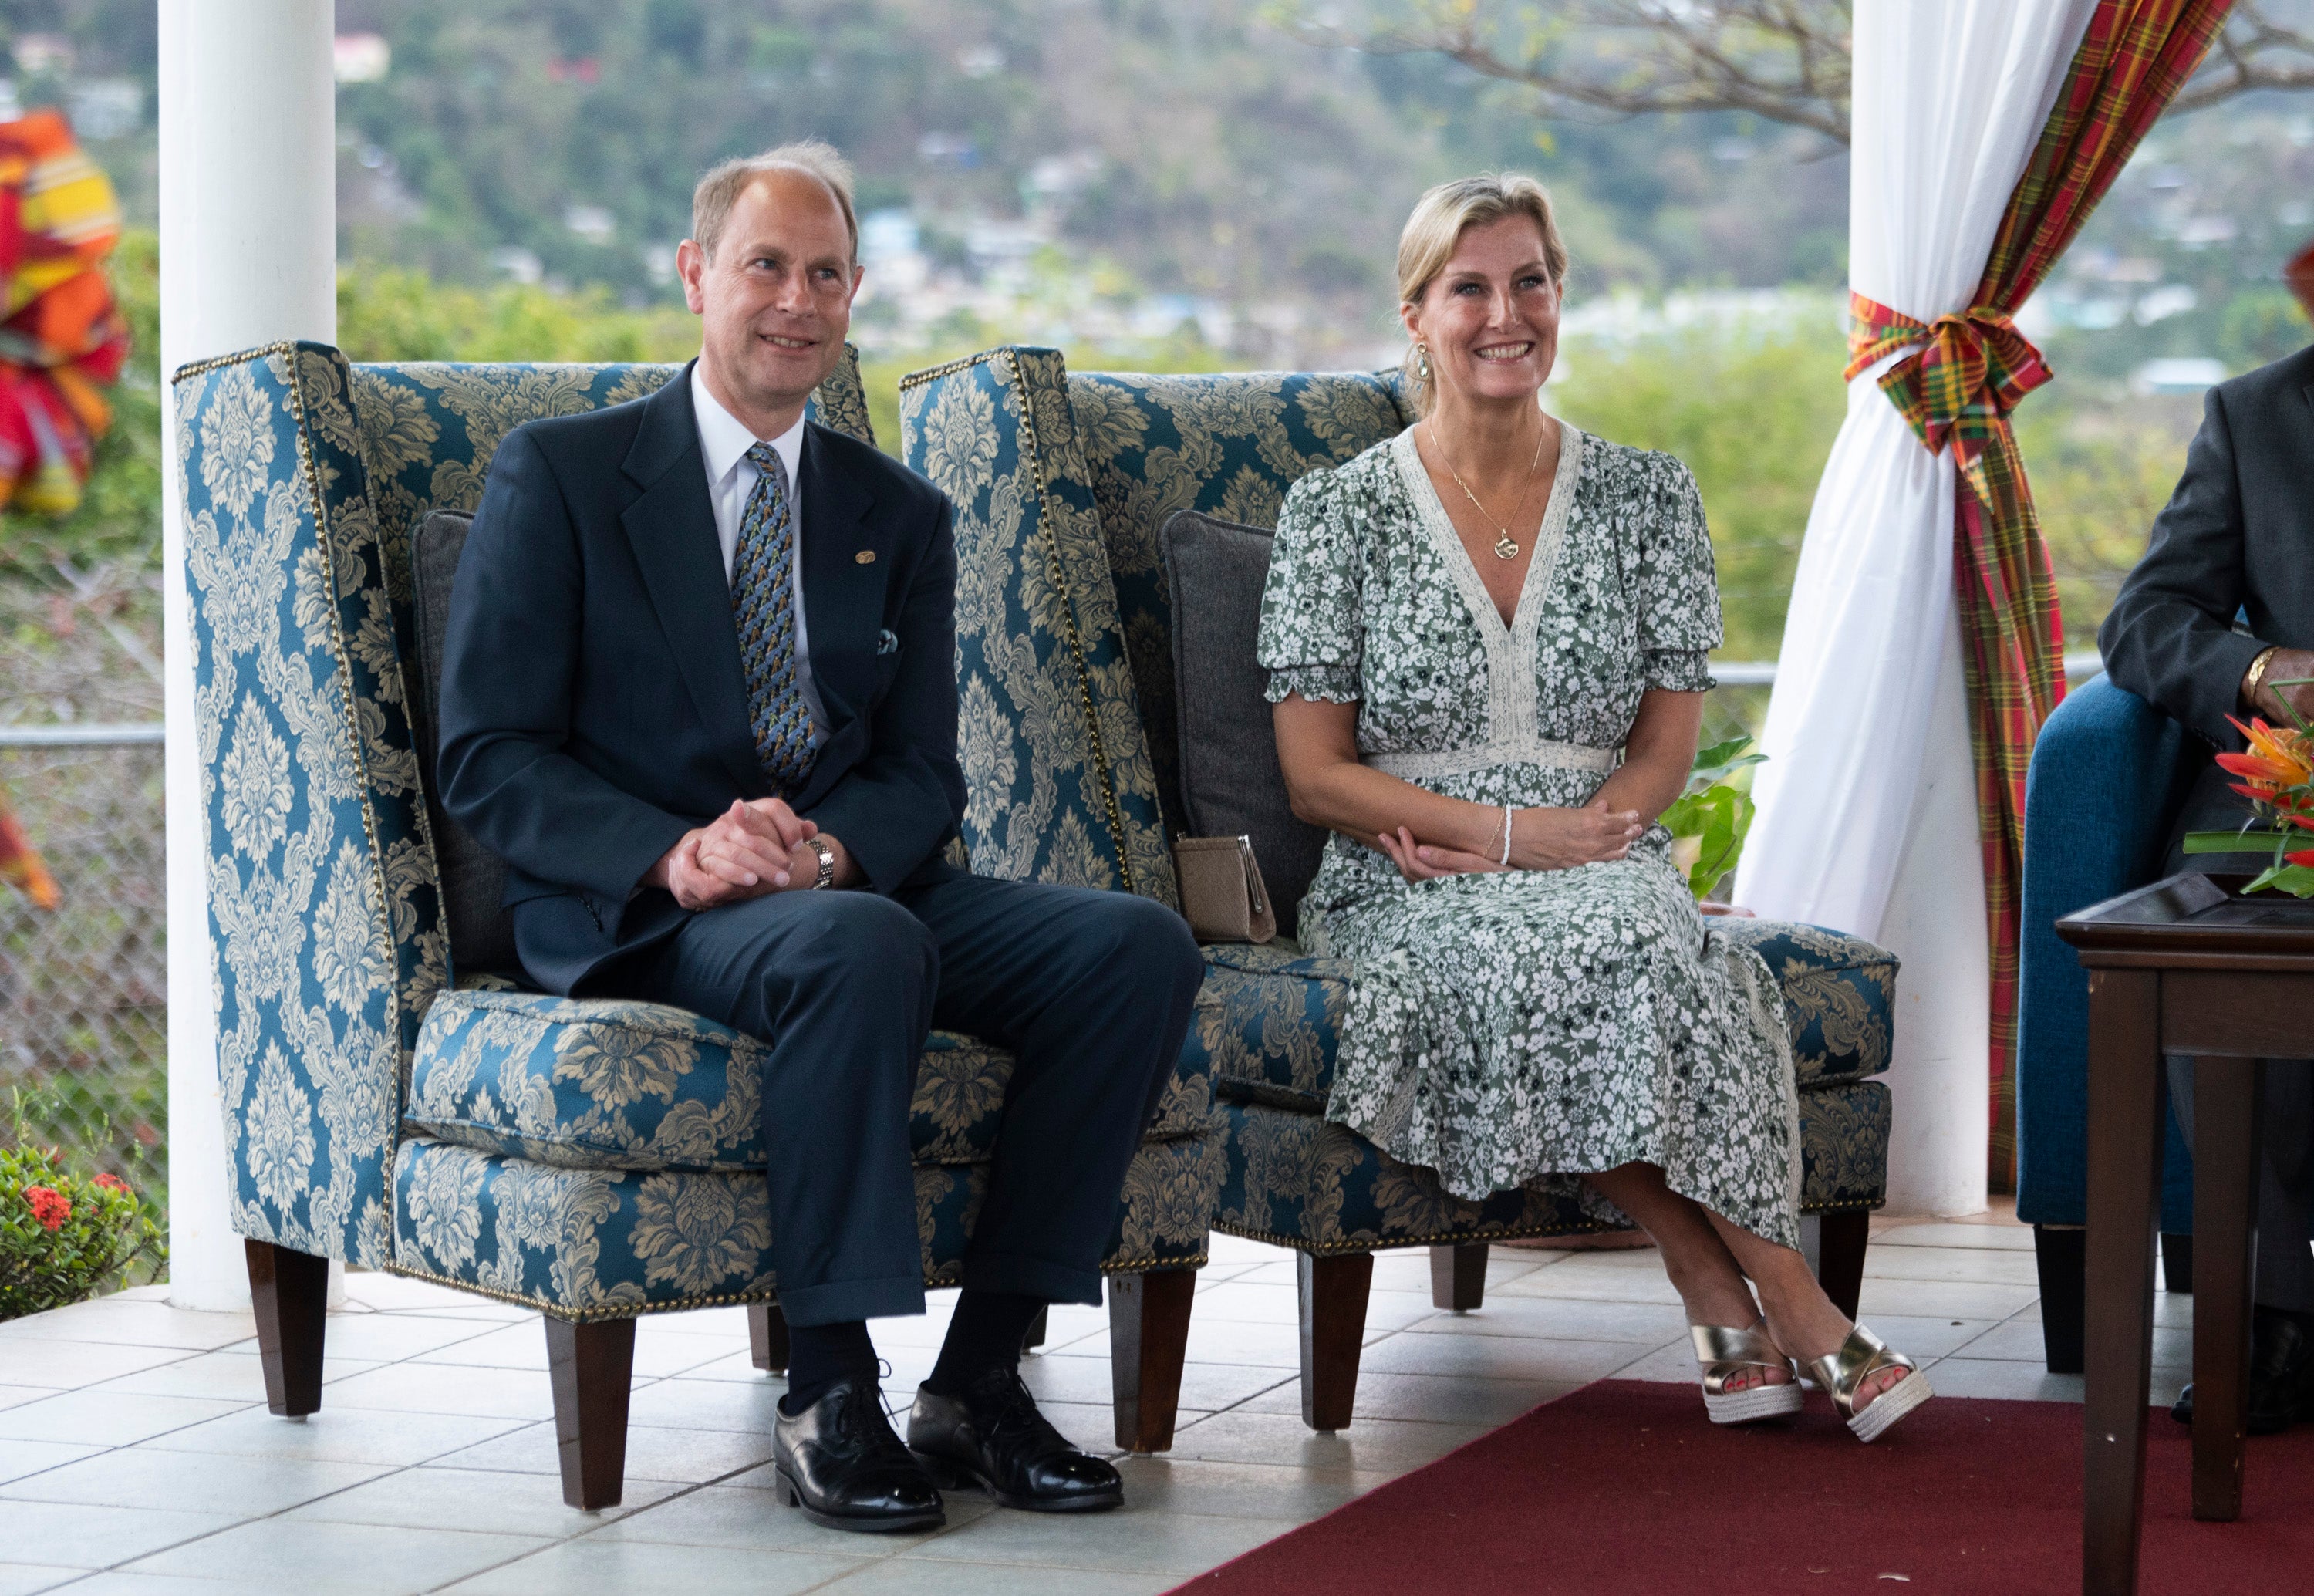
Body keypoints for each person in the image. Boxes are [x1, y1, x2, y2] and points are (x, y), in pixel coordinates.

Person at [436, 140, 1204, 1530]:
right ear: (695, 276)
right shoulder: (560, 477)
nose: (798, 299)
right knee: (858, 948)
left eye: (828, 273)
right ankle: (830, 1388)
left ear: (855, 294)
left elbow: (922, 772)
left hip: (843, 883)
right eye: (766, 266)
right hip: (652, 904)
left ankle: (977, 1383)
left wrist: (831, 853)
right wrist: (678, 851)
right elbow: (486, 756)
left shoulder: (896, 513)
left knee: (1132, 947)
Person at [1257, 173, 1929, 1442]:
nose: (1505, 314)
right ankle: (1774, 1289)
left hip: (1601, 842)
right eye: (1470, 287)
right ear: (1415, 313)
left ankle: (1721, 1296)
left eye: (1531, 282)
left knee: (1660, 949)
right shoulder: (1333, 512)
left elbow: (1668, 742)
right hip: (1409, 870)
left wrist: (1592, 836)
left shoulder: (1648, 497)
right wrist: (1500, 841)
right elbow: (1314, 774)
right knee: (1587, 950)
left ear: (1560, 297)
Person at [2099, 339, 2314, 1435]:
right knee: (2210, 932)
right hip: (2290, 801)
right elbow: (2143, 619)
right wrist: (2260, 670)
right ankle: (2277, 1312)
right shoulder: (2257, 413)